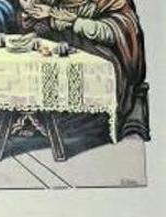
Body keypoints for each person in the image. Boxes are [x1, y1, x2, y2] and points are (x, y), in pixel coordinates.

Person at [20, 0, 147, 139]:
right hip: (68, 50)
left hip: (102, 57)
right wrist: (36, 14)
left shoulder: (113, 2)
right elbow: (51, 22)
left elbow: (118, 31)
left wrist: (74, 21)